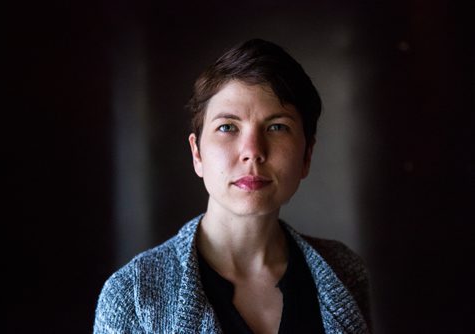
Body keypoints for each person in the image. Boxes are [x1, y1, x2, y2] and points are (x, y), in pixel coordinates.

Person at [94, 39, 371, 333]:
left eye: (277, 127)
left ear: (307, 155)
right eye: (228, 127)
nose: (252, 151)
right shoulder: (132, 295)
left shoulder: (344, 271)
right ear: (197, 154)